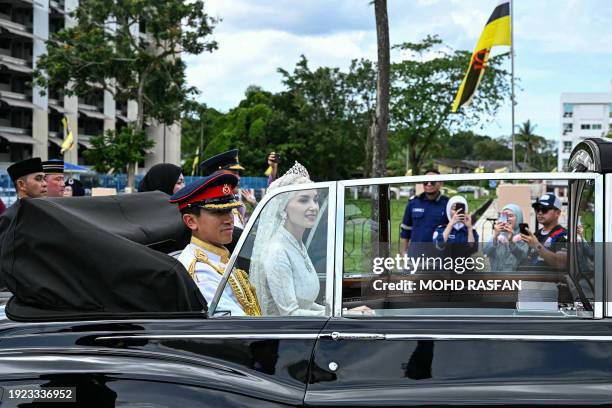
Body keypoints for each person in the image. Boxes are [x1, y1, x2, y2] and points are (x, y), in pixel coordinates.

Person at [170, 172, 261, 317]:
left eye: (230, 210)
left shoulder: (217, 255)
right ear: (191, 221)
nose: (229, 219)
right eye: (219, 212)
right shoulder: (200, 271)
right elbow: (240, 328)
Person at [249, 161, 326, 316]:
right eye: (304, 200)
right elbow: (290, 314)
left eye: (315, 199)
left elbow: (306, 304)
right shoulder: (277, 251)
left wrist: (343, 312)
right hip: (284, 337)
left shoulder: (296, 243)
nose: (314, 207)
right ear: (283, 207)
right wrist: (334, 315)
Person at [0, 158, 47, 291]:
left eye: (44, 179)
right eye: (38, 179)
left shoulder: (45, 213)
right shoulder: (10, 218)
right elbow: (4, 263)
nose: (44, 184)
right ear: (21, 185)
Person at [400, 170, 449, 258]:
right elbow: (405, 230)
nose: (429, 184)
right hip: (416, 258)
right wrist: (404, 253)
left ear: (441, 183)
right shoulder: (413, 203)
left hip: (440, 259)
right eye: (425, 181)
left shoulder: (448, 204)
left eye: (433, 181)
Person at [199, 149, 248, 229]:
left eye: (238, 174)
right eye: (234, 173)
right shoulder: (209, 205)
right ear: (217, 177)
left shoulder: (237, 203)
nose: (238, 178)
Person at [522, 194, 567, 269]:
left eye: (544, 209)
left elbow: (561, 263)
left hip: (549, 280)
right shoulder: (536, 234)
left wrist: (537, 246)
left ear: (558, 213)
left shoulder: (563, 234)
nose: (540, 213)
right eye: (537, 209)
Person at [483, 204, 529, 272]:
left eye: (510, 216)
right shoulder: (495, 236)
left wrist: (511, 241)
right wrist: (495, 236)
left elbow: (523, 256)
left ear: (518, 218)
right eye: (504, 216)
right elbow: (486, 253)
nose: (507, 219)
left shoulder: (523, 237)